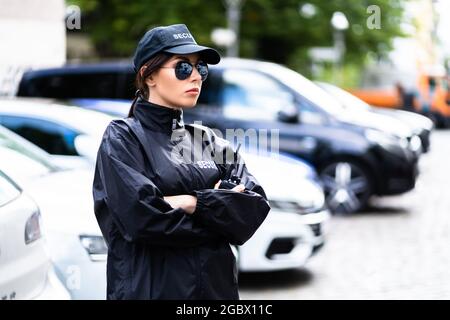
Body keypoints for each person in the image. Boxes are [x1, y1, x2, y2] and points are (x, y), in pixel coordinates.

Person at [92, 24, 271, 300]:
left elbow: (253, 210)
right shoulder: (123, 138)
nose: (196, 77)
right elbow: (143, 221)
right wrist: (218, 216)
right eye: (183, 67)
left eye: (200, 68)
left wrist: (192, 203)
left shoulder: (208, 140)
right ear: (148, 75)